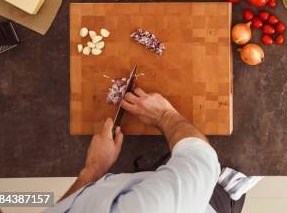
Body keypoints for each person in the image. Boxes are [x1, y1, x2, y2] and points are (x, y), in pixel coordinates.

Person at [47, 87, 245, 213]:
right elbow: (201, 161)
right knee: (225, 175)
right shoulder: (149, 208)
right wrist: (163, 116)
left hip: (133, 188)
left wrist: (91, 171)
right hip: (206, 194)